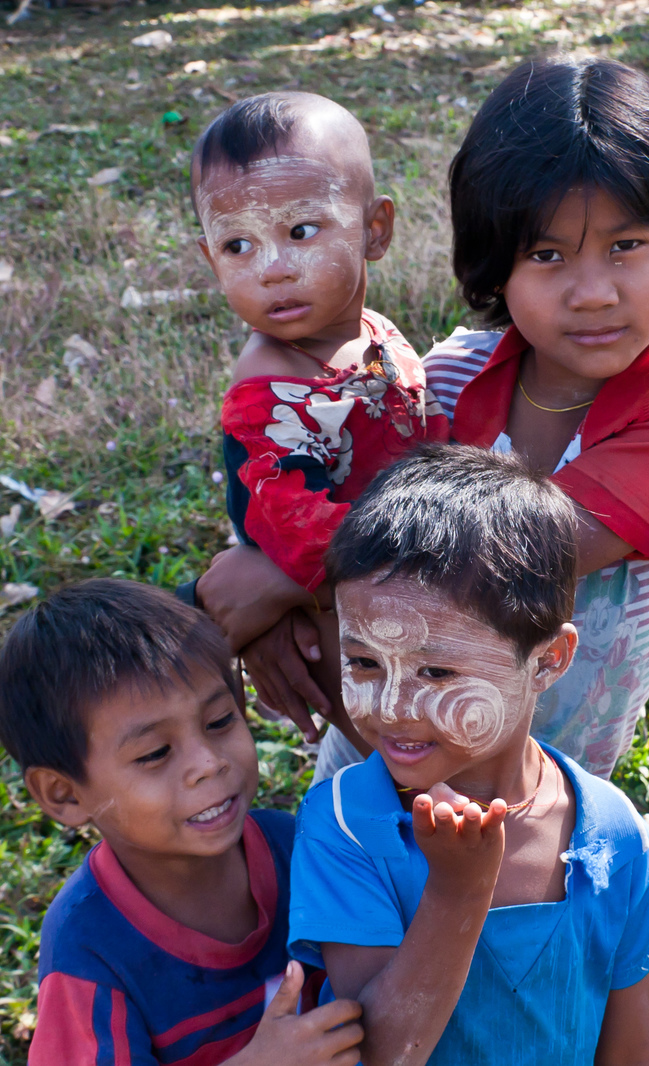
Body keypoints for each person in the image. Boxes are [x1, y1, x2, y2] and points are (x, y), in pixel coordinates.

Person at [317, 56, 649, 779]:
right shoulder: (446, 378)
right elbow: (328, 494)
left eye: (626, 246)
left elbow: (514, 551)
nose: (592, 293)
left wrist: (278, 586)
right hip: (373, 759)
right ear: (497, 267)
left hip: (541, 790)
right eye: (548, 254)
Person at [288, 445, 649, 1066]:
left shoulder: (610, 835)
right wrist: (458, 891)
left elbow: (633, 1050)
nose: (394, 707)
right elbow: (376, 1056)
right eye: (365, 662)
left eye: (436, 670)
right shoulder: (347, 828)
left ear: (548, 659)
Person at [0, 578, 364, 1066]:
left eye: (219, 722)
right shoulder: (89, 949)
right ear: (64, 794)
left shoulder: (299, 848)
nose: (207, 763)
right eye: (155, 753)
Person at [181, 91, 448, 754]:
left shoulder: (370, 335)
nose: (272, 269)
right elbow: (304, 539)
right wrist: (443, 551)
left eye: (301, 231)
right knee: (399, 756)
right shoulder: (270, 393)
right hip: (344, 621)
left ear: (375, 230)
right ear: (212, 260)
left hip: (402, 595)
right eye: (238, 245)